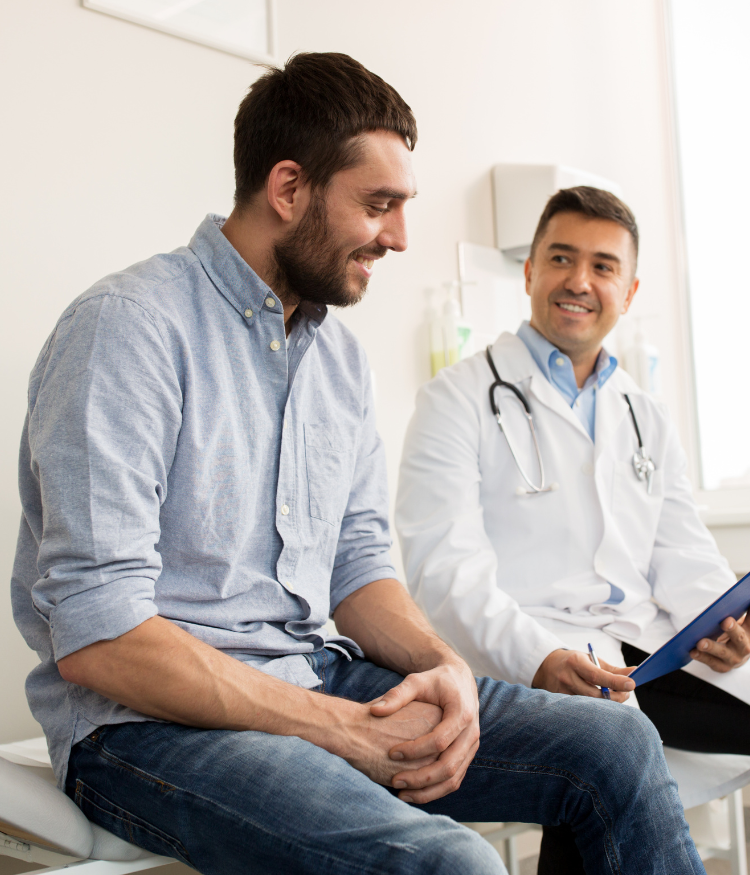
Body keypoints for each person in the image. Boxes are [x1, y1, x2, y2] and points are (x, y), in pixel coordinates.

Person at [11, 56, 704, 875]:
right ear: (289, 188)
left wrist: (444, 667)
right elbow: (102, 638)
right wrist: (334, 726)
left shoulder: (336, 359)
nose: (400, 236)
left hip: (314, 673)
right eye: (379, 206)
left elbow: (359, 570)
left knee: (617, 741)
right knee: (454, 863)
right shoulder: (128, 329)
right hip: (145, 725)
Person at [396, 185, 750, 872]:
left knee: (614, 754)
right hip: (523, 654)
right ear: (529, 271)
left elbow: (682, 554)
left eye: (603, 265)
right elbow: (444, 573)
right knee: (601, 753)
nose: (579, 281)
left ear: (630, 287)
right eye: (561, 257)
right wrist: (537, 658)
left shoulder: (644, 412)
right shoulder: (456, 400)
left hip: (645, 651)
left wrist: (721, 623)